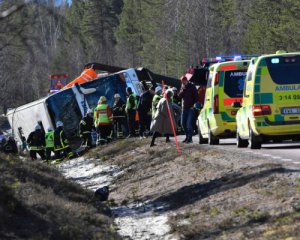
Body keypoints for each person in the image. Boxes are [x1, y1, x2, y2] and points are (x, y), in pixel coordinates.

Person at [178, 76, 199, 143]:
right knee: (183, 124)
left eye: (183, 81)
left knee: (188, 124)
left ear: (186, 80)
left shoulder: (192, 87)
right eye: (181, 81)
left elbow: (196, 97)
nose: (182, 82)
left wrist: (193, 105)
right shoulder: (182, 87)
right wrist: (182, 90)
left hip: (190, 108)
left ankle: (190, 138)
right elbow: (179, 96)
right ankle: (187, 137)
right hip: (184, 108)